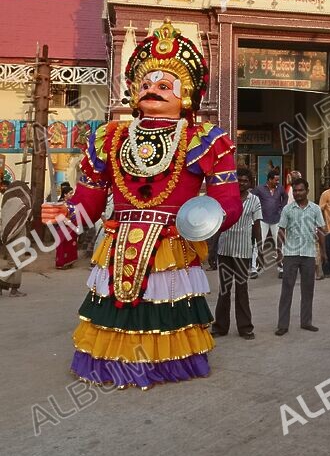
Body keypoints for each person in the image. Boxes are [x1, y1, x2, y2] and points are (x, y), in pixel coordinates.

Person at [41, 22, 242, 389]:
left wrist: (200, 222)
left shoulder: (205, 139)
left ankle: (160, 368)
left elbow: (227, 203)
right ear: (134, 92)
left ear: (186, 96)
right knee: (115, 309)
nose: (153, 90)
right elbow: (90, 200)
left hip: (171, 241)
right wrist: (67, 214)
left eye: (165, 86)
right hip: (117, 239)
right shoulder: (109, 136)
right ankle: (114, 366)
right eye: (147, 84)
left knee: (164, 306)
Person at [212, 167, 262, 339]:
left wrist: (260, 249)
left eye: (245, 180)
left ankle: (245, 328)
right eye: (238, 180)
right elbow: (217, 224)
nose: (241, 183)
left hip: (243, 252)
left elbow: (256, 225)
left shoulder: (254, 200)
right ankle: (220, 327)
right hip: (224, 250)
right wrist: (213, 249)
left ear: (250, 182)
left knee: (242, 289)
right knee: (224, 289)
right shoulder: (226, 199)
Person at [275, 179, 327, 335]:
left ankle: (306, 322)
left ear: (307, 191)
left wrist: (323, 252)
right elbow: (281, 230)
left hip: (309, 254)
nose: (298, 193)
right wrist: (279, 251)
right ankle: (283, 325)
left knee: (308, 290)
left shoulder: (315, 209)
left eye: (301, 190)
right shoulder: (287, 210)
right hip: (291, 254)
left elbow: (320, 231)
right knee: (286, 291)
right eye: (295, 191)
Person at [254, 168, 287, 276]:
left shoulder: (280, 189)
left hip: (277, 220)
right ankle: (255, 268)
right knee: (258, 244)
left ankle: (281, 268)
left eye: (278, 180)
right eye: (276, 180)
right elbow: (252, 198)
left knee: (280, 244)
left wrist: (281, 208)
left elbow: (285, 197)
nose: (277, 182)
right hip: (263, 220)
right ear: (269, 180)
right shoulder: (260, 189)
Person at [54, 183, 78, 270]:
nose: (72, 194)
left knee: (71, 245)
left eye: (72, 193)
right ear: (65, 194)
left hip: (72, 228)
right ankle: (61, 263)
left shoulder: (72, 203)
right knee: (62, 245)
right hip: (62, 227)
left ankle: (69, 261)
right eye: (70, 193)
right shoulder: (60, 204)